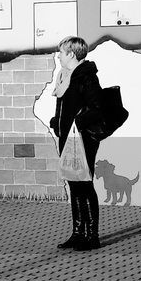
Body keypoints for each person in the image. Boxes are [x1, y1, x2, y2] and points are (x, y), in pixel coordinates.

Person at [49, 36, 103, 250]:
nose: (58, 56)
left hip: (83, 138)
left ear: (71, 54)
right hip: (66, 137)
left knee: (85, 184)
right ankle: (78, 233)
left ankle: (92, 236)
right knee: (73, 183)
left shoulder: (86, 77)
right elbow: (63, 106)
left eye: (61, 52)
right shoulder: (63, 76)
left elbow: (96, 107)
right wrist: (57, 121)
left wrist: (76, 123)